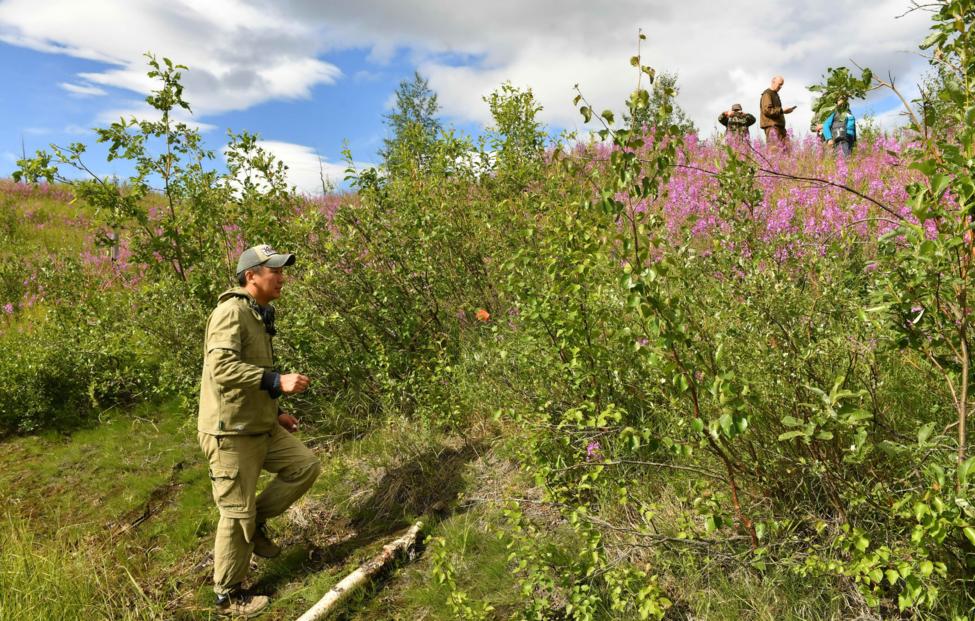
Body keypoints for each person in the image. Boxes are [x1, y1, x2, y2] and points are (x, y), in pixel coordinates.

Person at [197, 243, 321, 617]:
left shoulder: (259, 312)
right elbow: (221, 370)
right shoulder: (230, 312)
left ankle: (258, 519)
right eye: (275, 271)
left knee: (305, 466)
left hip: (260, 425)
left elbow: (250, 375)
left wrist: (276, 409)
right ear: (251, 276)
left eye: (283, 271)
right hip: (231, 432)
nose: (282, 278)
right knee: (235, 514)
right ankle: (228, 596)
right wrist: (275, 381)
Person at [759, 76, 797, 146]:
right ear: (773, 82)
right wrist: (782, 111)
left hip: (780, 128)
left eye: (782, 85)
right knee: (774, 152)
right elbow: (767, 110)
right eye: (779, 84)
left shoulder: (775, 94)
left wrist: (785, 111)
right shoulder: (767, 94)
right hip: (772, 127)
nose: (780, 87)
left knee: (788, 151)